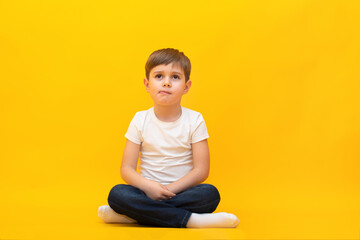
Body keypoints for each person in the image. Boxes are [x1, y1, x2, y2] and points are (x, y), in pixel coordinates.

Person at [98, 48, 239, 228]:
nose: (166, 83)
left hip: (180, 193)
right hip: (145, 192)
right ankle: (191, 220)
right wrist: (149, 188)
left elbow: (201, 170)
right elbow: (126, 168)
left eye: (175, 77)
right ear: (147, 84)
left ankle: (133, 216)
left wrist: (168, 190)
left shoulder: (195, 120)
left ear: (186, 86)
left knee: (210, 194)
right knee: (117, 194)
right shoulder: (139, 120)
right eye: (159, 76)